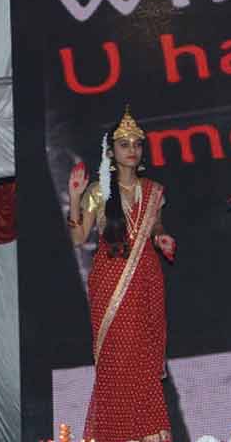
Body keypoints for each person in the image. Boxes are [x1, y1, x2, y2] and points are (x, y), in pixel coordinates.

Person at [66, 107, 178, 442]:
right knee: (116, 358)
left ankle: (148, 434)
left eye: (137, 144)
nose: (132, 150)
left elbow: (155, 226)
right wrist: (74, 197)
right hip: (110, 280)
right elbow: (78, 237)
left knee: (144, 357)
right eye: (124, 144)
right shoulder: (99, 191)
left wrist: (161, 237)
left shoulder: (154, 190)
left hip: (145, 278)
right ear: (111, 152)